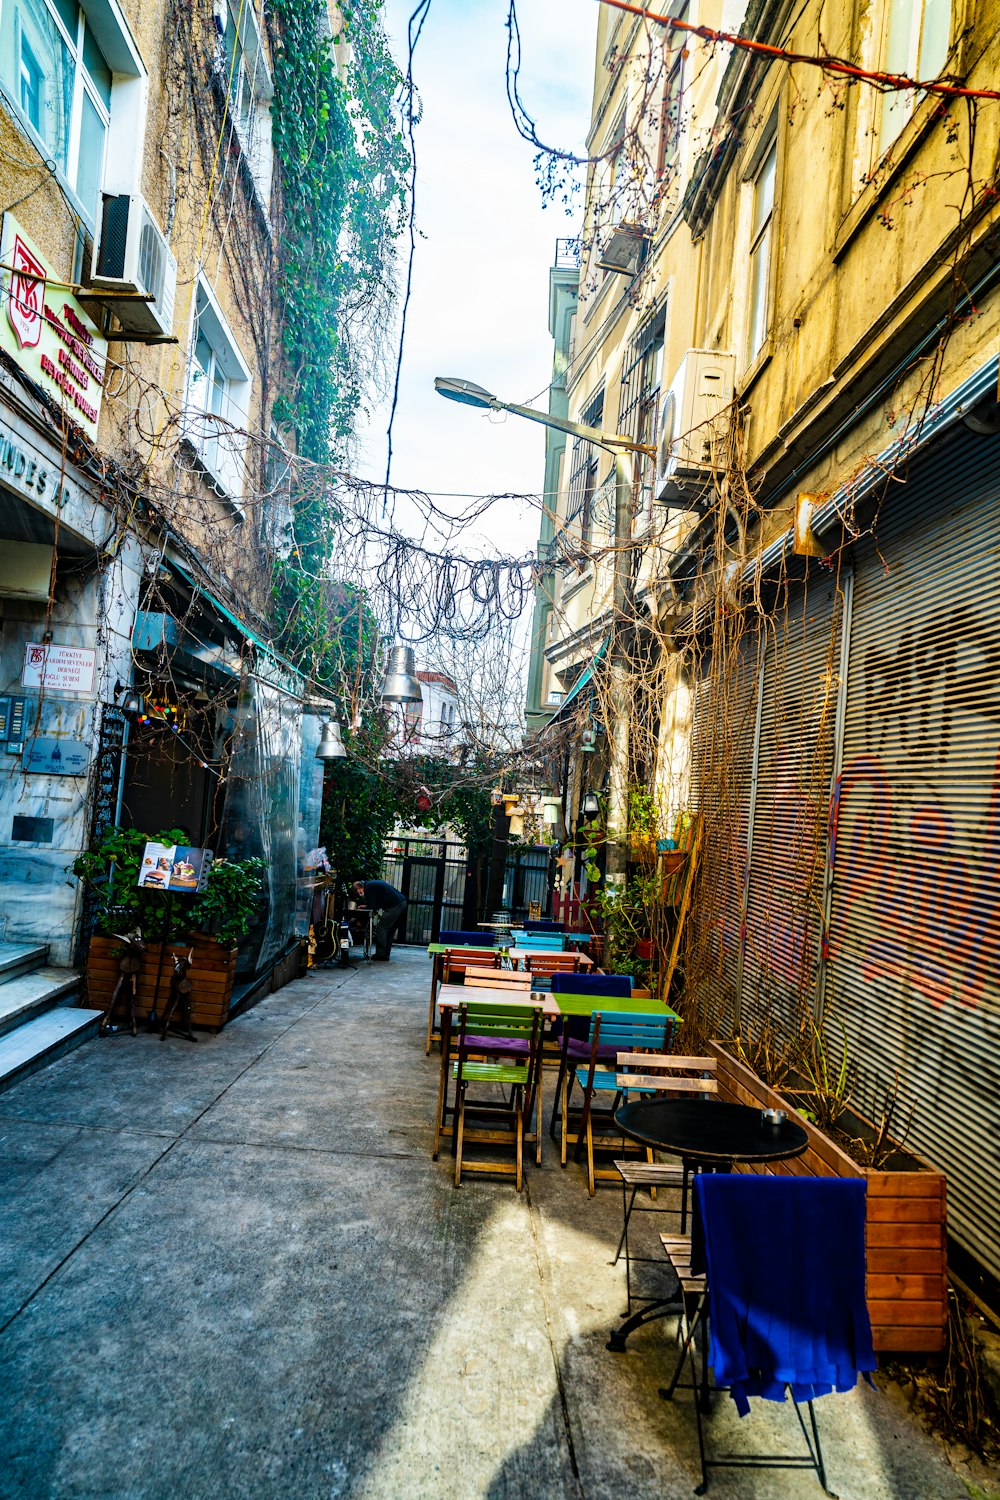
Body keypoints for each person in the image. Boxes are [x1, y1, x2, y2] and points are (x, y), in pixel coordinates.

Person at [352, 878, 407, 961]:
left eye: (358, 891)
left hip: (394, 906)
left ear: (359, 888)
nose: (359, 894)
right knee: (390, 930)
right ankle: (385, 954)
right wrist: (367, 905)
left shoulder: (369, 888)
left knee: (382, 928)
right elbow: (377, 903)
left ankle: (380, 954)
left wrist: (365, 906)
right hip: (402, 903)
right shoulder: (371, 884)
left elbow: (373, 906)